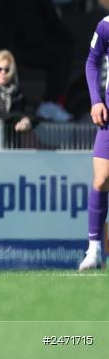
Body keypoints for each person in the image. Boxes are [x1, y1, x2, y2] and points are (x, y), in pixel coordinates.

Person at [79, 16, 109, 270]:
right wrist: (96, 100)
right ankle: (94, 250)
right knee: (101, 180)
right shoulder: (106, 25)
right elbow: (92, 61)